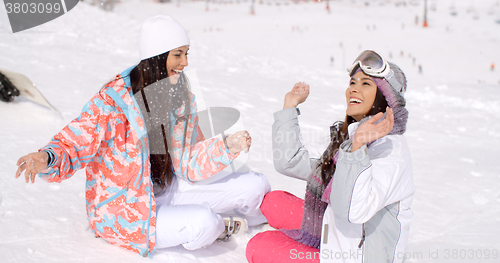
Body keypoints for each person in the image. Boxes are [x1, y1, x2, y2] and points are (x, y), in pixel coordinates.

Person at [15, 14, 270, 257]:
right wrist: (47, 158)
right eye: (178, 55)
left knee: (256, 185)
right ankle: (217, 228)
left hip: (167, 188)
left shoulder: (179, 96)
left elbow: (189, 161)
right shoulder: (112, 103)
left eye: (186, 53)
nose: (185, 63)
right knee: (204, 223)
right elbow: (75, 141)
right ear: (157, 57)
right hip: (125, 211)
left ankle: (268, 223)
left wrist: (225, 146)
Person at [246, 50, 415, 263]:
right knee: (273, 201)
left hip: (350, 257)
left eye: (365, 84)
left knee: (259, 247)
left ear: (386, 98)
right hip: (334, 227)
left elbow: (352, 210)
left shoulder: (391, 152)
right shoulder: (351, 135)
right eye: (353, 82)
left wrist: (356, 149)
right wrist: (289, 107)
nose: (354, 88)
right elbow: (290, 161)